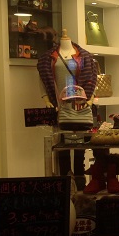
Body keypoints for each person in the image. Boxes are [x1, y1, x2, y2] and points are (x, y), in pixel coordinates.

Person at [37, 29, 98, 191]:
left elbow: (93, 80)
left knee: (79, 145)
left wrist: (90, 99)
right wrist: (46, 99)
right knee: (61, 145)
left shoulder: (85, 56)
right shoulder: (47, 58)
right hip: (59, 105)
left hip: (80, 105)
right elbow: (42, 80)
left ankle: (79, 180)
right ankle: (64, 182)